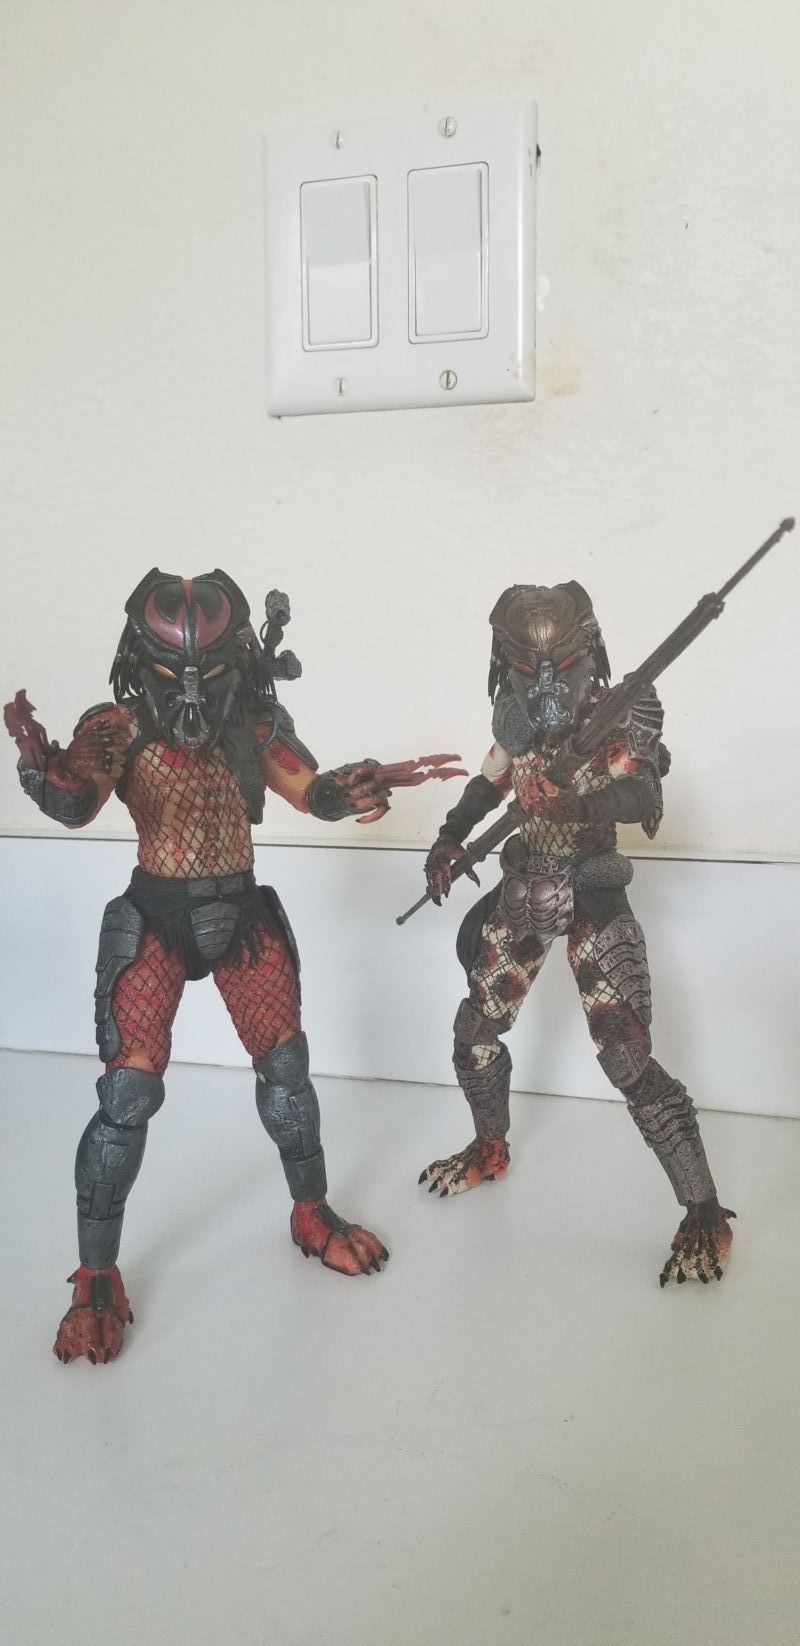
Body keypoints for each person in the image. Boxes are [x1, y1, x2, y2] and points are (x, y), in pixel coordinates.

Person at [420, 580, 734, 1286]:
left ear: (585, 653)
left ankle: (703, 1210)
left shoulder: (623, 711)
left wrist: (575, 802)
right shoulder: (513, 718)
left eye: (558, 667)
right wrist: (449, 835)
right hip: (525, 884)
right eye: (526, 670)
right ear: (506, 666)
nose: (543, 685)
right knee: (475, 1030)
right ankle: (490, 1147)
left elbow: (641, 793)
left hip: (592, 887)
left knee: (627, 1057)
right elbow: (489, 781)